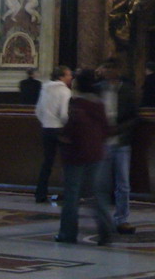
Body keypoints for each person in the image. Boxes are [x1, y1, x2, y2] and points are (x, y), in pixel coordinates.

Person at [56, 68, 112, 245]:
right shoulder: (99, 103)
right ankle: (105, 231)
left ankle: (68, 233)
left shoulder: (77, 103)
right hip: (96, 152)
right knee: (97, 194)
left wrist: (63, 137)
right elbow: (106, 128)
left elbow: (71, 128)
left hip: (76, 153)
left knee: (72, 195)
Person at [98, 57, 138, 234]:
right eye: (105, 68)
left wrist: (119, 129)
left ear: (117, 71)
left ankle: (122, 219)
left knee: (123, 184)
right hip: (102, 142)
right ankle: (104, 219)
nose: (107, 71)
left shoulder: (127, 91)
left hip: (121, 142)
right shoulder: (98, 90)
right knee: (102, 183)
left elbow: (134, 117)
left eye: (111, 68)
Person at [34, 64, 72, 202]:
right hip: (60, 129)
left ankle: (40, 193)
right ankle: (68, 192)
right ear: (61, 76)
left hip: (46, 128)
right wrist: (66, 126)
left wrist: (45, 122)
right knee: (66, 162)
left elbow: (38, 110)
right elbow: (64, 114)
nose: (71, 77)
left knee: (47, 163)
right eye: (68, 74)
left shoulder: (44, 88)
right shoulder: (65, 91)